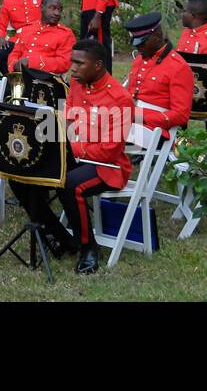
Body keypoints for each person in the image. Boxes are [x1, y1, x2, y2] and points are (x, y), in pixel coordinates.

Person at [60, 38, 133, 274]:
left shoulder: (120, 99)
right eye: (73, 62)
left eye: (80, 63)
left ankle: (88, 248)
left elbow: (109, 150)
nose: (73, 68)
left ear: (98, 65)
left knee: (70, 185)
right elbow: (69, 118)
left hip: (108, 166)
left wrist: (74, 148)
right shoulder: (77, 82)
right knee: (27, 172)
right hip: (79, 156)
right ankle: (59, 234)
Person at [122, 12, 193, 137]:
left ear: (157, 36)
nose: (139, 48)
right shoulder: (139, 59)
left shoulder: (178, 67)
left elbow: (181, 115)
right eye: (136, 44)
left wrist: (140, 116)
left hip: (153, 129)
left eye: (142, 43)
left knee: (100, 134)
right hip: (130, 121)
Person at [6, 0, 75, 76]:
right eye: (52, 8)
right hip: (20, 76)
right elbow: (15, 53)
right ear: (42, 7)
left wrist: (31, 62)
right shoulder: (27, 29)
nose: (57, 13)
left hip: (45, 80)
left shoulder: (65, 34)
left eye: (59, 10)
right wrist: (14, 66)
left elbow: (64, 63)